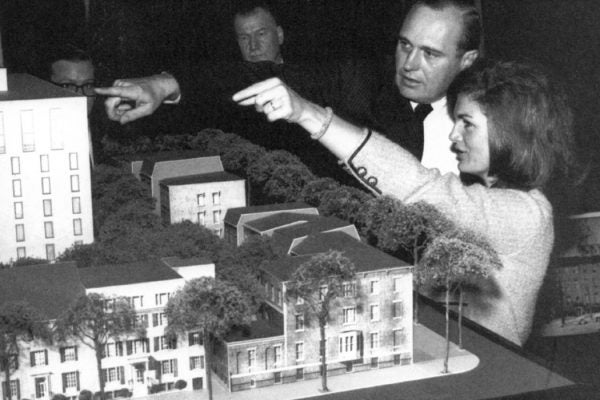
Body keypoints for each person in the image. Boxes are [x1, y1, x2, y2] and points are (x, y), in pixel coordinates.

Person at [231, 59, 577, 346]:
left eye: (467, 123)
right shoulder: (484, 199)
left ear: (509, 132)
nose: (454, 135)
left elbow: (420, 189)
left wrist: (310, 115)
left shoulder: (529, 214)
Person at [96, 0, 479, 178]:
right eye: (405, 45)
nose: (410, 64)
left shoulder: (492, 116)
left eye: (430, 54)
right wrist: (165, 85)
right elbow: (261, 79)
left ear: (467, 61)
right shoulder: (363, 81)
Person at [46, 45, 99, 165]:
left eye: (88, 85)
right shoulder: (36, 141)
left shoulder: (114, 136)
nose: (80, 95)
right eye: (67, 86)